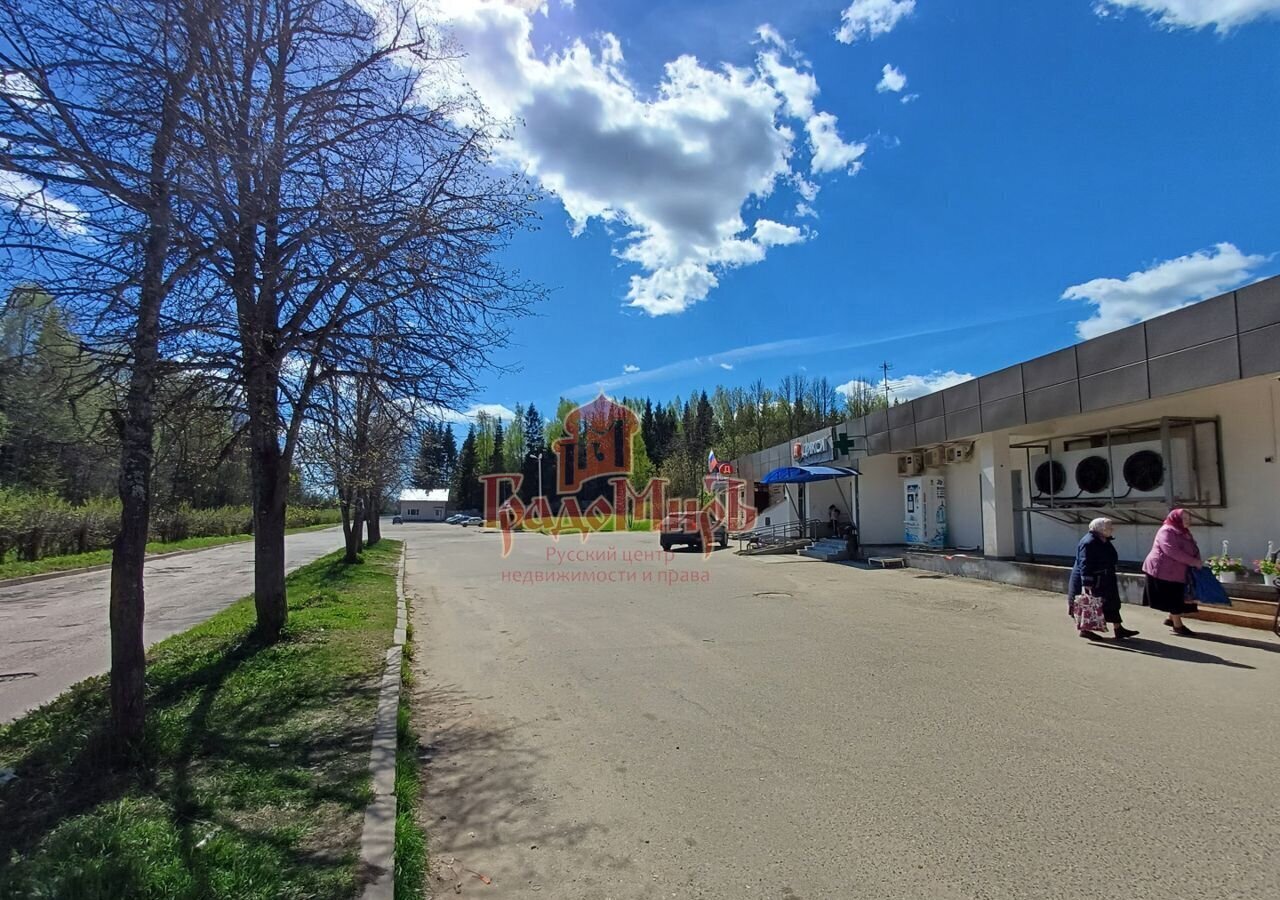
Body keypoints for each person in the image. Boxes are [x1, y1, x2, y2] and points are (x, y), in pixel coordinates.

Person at [1068, 517, 1138, 640]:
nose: (1112, 529)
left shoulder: (1103, 539)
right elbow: (1085, 563)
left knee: (1112, 603)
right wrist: (1087, 582)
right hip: (1094, 580)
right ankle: (1085, 629)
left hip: (1105, 578)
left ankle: (1118, 628)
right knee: (1090, 604)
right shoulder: (1089, 542)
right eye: (1109, 527)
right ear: (1100, 529)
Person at [1142, 508, 1202, 636]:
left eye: (1189, 518)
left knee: (1177, 595)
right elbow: (1171, 551)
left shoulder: (1184, 532)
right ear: (1176, 519)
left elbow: (1192, 548)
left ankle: (1171, 618)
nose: (1188, 521)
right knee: (1173, 596)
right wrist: (1194, 562)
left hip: (1178, 570)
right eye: (1184, 518)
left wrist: (1197, 560)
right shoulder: (1167, 530)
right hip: (1163, 570)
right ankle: (1178, 625)